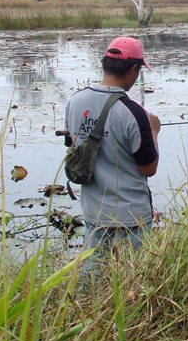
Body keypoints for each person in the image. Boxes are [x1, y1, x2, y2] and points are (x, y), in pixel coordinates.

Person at [65, 36, 161, 264]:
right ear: (134, 69)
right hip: (131, 217)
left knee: (93, 281)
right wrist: (154, 131)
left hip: (93, 213)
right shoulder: (134, 112)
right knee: (135, 279)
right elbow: (148, 168)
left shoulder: (75, 101)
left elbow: (72, 145)